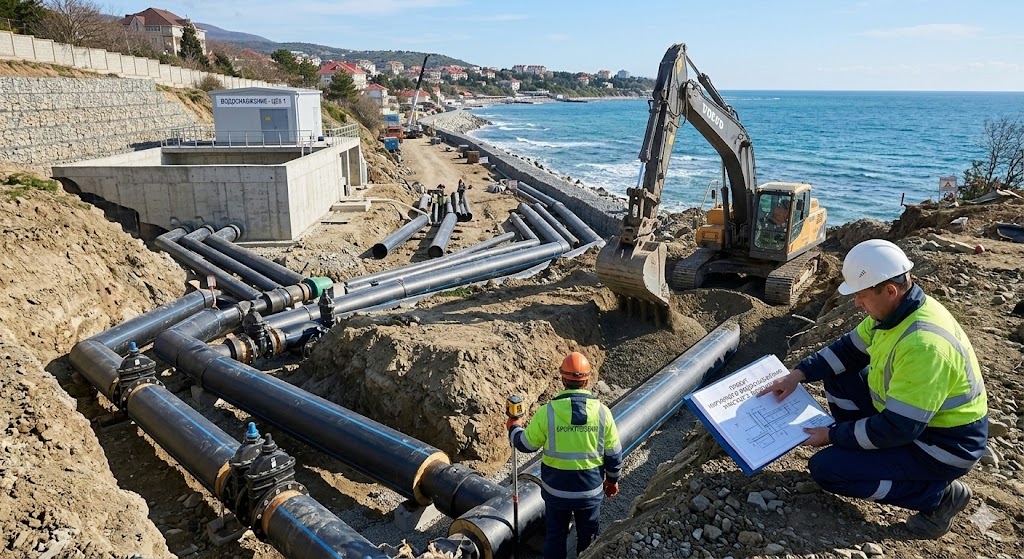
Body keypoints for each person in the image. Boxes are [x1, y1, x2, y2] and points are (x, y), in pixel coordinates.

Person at [758, 239, 988, 539]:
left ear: (890, 291)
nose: (857, 304)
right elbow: (847, 351)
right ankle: (863, 454)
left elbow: (898, 429)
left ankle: (939, 497)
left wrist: (832, 435)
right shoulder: (894, 314)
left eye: (862, 296)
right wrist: (798, 374)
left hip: (942, 447)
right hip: (910, 424)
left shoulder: (924, 346)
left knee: (827, 469)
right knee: (838, 373)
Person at [507, 352, 622, 559]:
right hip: (589, 491)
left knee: (555, 536)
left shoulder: (547, 412)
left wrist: (513, 428)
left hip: (556, 492)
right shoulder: (603, 412)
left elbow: (525, 444)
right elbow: (614, 454)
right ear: (587, 380)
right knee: (589, 537)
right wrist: (612, 481)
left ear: (562, 379)